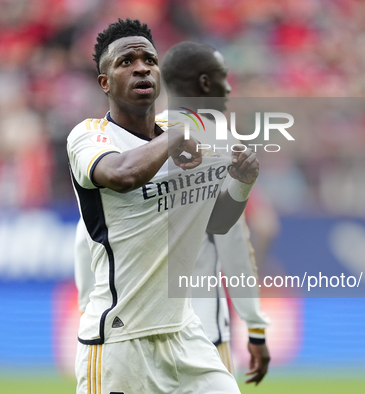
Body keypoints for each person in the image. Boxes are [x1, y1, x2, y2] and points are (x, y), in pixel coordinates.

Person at [67, 19, 259, 393]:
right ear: (104, 82)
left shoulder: (184, 133)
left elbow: (216, 224)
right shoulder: (89, 136)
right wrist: (176, 137)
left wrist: (242, 183)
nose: (141, 67)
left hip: (185, 335)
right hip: (120, 342)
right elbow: (121, 174)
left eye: (149, 60)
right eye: (126, 62)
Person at [160, 41, 271, 385]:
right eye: (223, 77)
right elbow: (233, 243)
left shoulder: (131, 140)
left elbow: (94, 234)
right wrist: (254, 325)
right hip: (202, 329)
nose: (230, 86)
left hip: (140, 329)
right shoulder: (221, 143)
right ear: (205, 83)